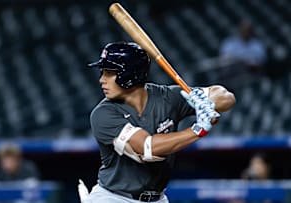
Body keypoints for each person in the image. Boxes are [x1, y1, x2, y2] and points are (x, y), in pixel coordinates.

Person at [79, 42, 235, 203]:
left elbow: (226, 97)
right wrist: (197, 130)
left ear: (129, 74)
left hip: (157, 198)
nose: (101, 80)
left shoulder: (167, 98)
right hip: (114, 198)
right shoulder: (103, 114)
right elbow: (146, 149)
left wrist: (206, 101)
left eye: (108, 73)